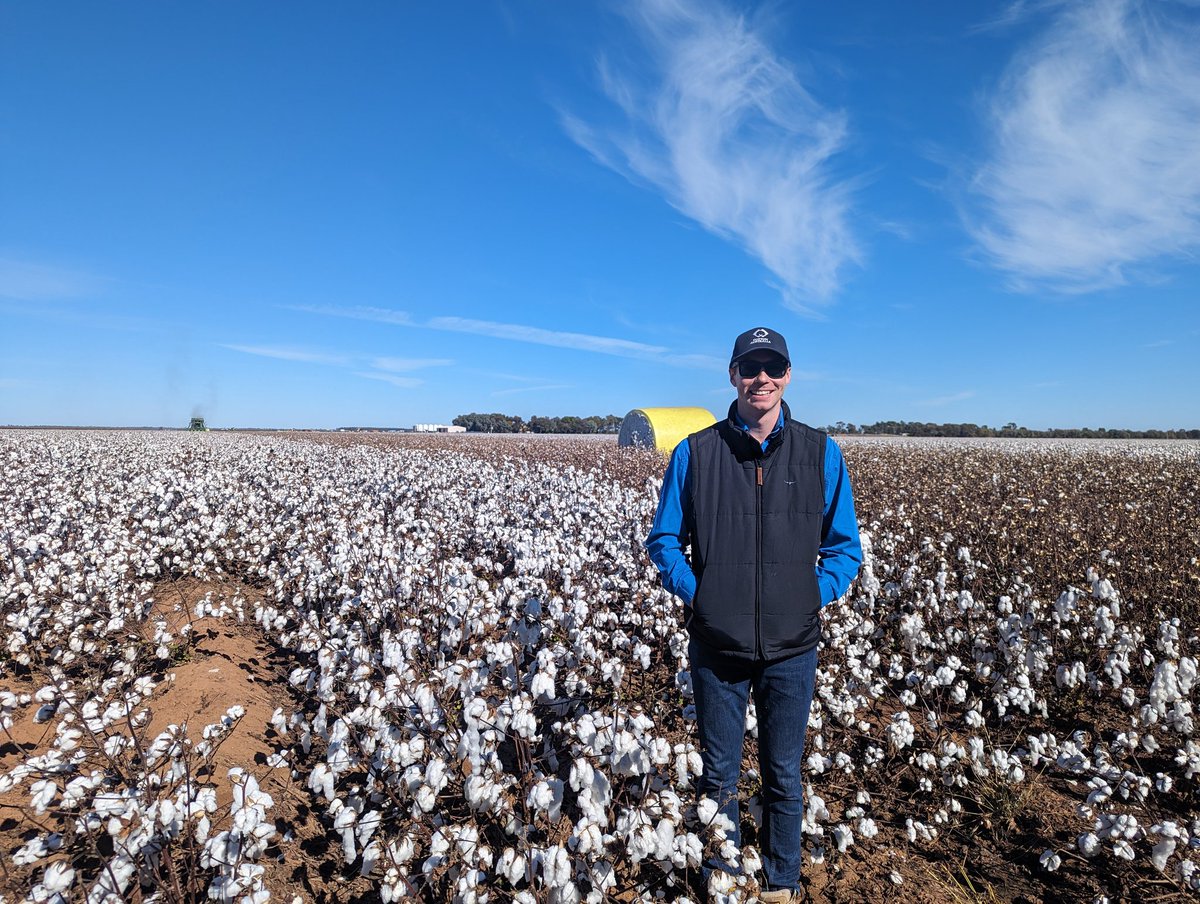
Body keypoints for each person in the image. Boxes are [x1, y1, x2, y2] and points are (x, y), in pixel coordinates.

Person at [645, 326, 863, 902]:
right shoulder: (697, 451)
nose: (760, 378)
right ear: (732, 374)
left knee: (784, 776)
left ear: (787, 375)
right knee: (718, 776)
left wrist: (809, 594)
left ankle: (779, 885)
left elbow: (845, 547)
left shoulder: (821, 452)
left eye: (772, 367)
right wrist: (702, 594)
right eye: (749, 367)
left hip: (793, 648)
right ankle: (722, 880)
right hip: (717, 647)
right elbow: (664, 540)